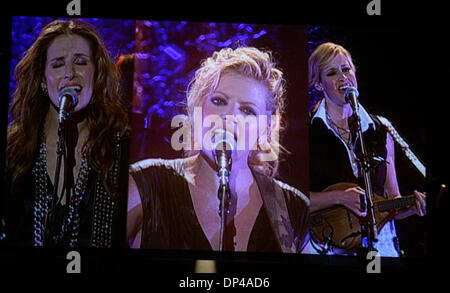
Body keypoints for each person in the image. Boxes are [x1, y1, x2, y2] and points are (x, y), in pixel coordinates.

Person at [127, 47, 310, 253]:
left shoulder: (294, 208)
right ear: (196, 108)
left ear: (266, 130)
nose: (230, 116)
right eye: (219, 101)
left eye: (247, 110)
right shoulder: (144, 184)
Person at [2, 19, 130, 248]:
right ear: (42, 79)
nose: (70, 73)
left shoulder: (123, 149)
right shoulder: (13, 148)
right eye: (58, 64)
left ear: (96, 74)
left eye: (81, 63)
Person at [307, 42, 426, 257]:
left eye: (346, 69)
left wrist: (412, 207)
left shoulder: (381, 130)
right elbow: (292, 202)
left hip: (381, 248)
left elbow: (392, 200)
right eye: (332, 73)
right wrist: (338, 198)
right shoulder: (308, 133)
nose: (343, 78)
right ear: (318, 84)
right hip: (328, 247)